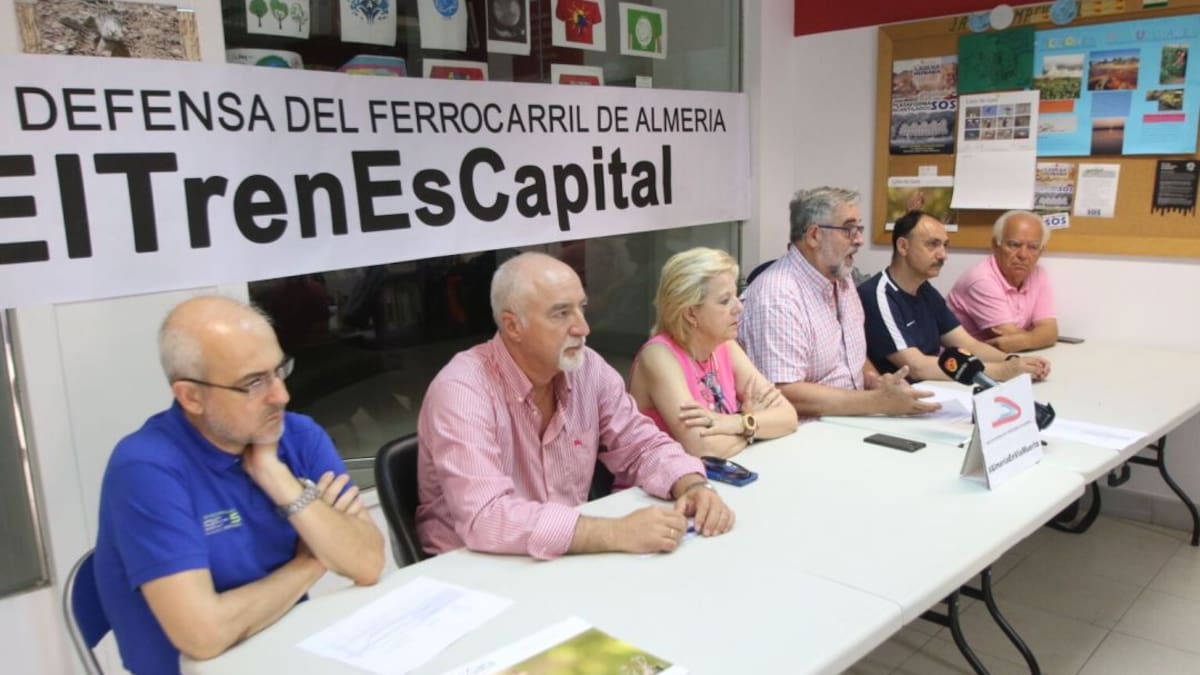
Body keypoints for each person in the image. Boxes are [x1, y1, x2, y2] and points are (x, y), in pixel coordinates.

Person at [93, 296, 384, 675]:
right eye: (254, 382)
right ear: (191, 397)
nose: (281, 395)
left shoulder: (296, 435)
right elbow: (204, 636)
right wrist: (311, 560)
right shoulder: (145, 469)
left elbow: (368, 563)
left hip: (293, 656)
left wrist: (276, 476)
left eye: (279, 370)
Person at [416, 252, 735, 560]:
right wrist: (614, 533)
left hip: (561, 558)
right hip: (474, 570)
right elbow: (487, 517)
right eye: (561, 313)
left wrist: (692, 484)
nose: (583, 328)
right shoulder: (462, 390)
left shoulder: (587, 368)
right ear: (513, 326)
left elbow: (642, 445)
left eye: (581, 308)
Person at [740, 186, 939, 418]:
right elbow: (783, 392)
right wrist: (877, 402)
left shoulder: (841, 277)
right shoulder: (777, 297)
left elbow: (851, 357)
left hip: (851, 417)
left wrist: (878, 384)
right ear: (814, 235)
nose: (859, 239)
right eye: (849, 230)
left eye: (859, 229)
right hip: (806, 429)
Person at [628, 247, 798, 459]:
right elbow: (703, 448)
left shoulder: (724, 345)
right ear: (691, 313)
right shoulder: (658, 357)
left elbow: (788, 417)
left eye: (735, 295)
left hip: (725, 470)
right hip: (662, 477)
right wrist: (752, 424)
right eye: (725, 300)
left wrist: (736, 422)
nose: (739, 307)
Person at [858, 211, 1051, 383]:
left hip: (934, 387)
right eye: (933, 244)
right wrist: (1003, 371)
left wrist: (1013, 361)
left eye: (945, 246)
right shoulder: (877, 295)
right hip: (900, 398)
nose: (943, 255)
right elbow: (916, 367)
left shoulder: (925, 290)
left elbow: (968, 344)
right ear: (903, 246)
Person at [947, 210, 1058, 351]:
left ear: (1041, 251)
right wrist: (1036, 336)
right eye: (1014, 245)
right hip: (963, 359)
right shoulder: (981, 280)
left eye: (1033, 247)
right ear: (996, 245)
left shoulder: (1038, 274)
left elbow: (1050, 332)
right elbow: (1008, 336)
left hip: (1004, 357)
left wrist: (1026, 339)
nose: (1023, 255)